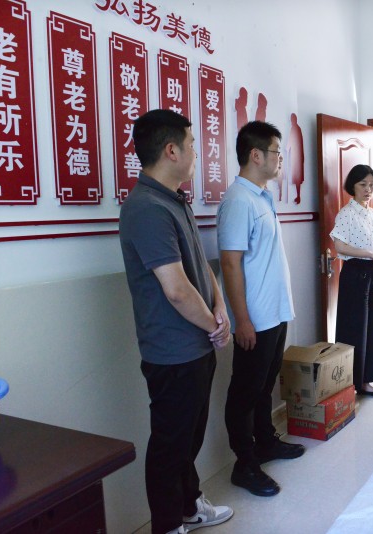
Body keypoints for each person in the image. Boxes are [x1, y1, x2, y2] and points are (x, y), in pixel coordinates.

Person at [119, 109, 233, 534]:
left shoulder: (173, 199)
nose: (196, 155)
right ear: (171, 150)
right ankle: (168, 525)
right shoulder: (146, 208)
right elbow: (176, 289)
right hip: (172, 352)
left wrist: (220, 307)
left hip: (196, 344)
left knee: (188, 437)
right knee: (170, 445)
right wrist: (214, 325)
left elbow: (199, 267)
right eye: (192, 147)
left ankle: (189, 506)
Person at [217, 121, 304, 498]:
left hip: (274, 313)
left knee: (264, 385)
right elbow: (230, 263)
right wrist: (242, 320)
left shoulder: (261, 197)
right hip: (254, 318)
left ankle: (266, 441)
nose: (280, 159)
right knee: (245, 391)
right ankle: (245, 463)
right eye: (276, 152)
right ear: (256, 155)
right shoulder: (238, 200)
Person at [330, 164, 373, 398]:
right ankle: (350, 384)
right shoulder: (346, 213)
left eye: (372, 185)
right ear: (352, 186)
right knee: (355, 330)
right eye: (363, 184)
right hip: (356, 273)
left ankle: (366, 381)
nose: (368, 189)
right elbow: (339, 246)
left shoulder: (372, 213)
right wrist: (368, 254)